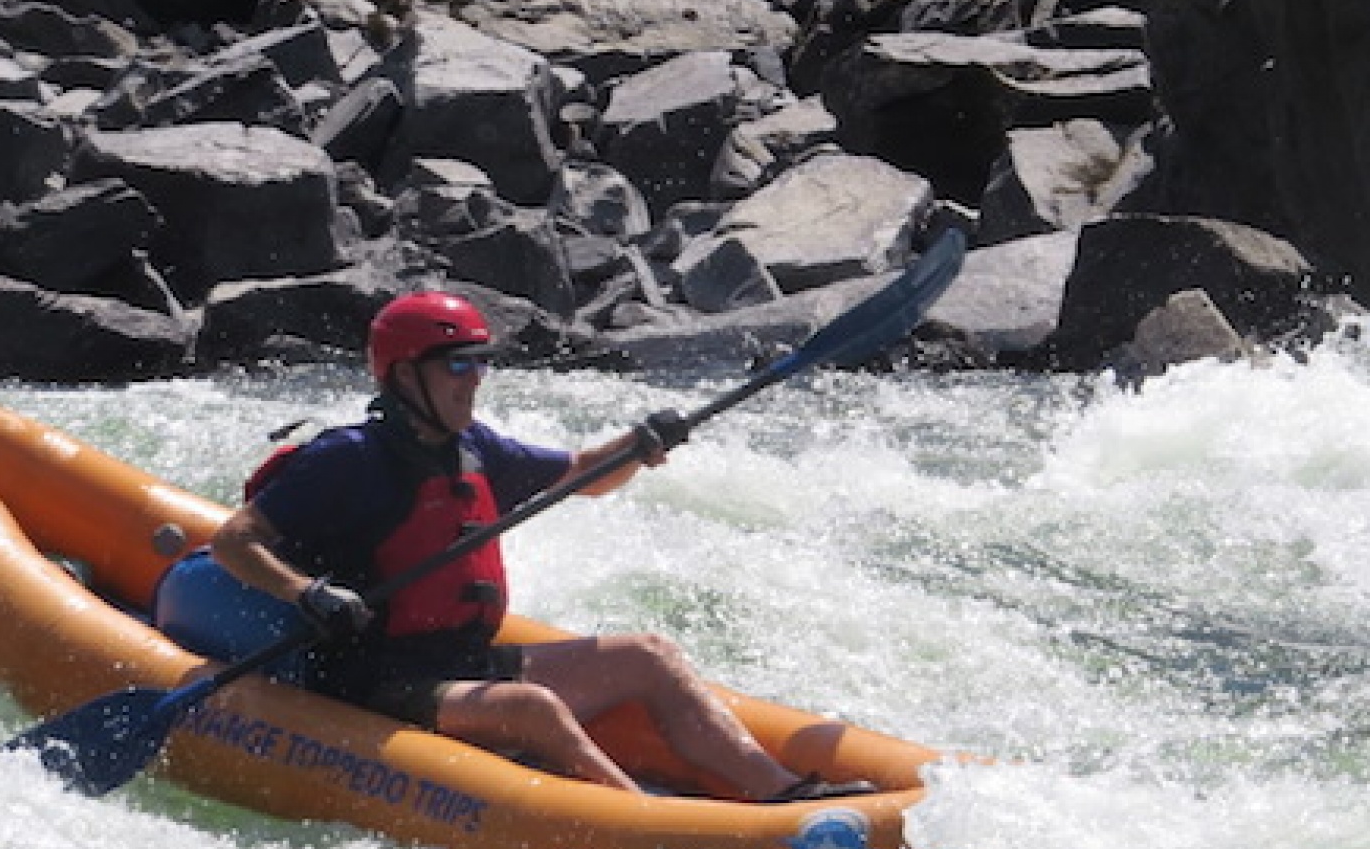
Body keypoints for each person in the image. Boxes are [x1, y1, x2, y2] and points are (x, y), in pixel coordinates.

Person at [203, 291, 873, 802]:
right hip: (377, 677)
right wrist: (308, 593)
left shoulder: (475, 448)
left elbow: (585, 474)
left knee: (649, 653)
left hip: (465, 659)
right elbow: (235, 539)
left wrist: (641, 443)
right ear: (405, 377)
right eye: (457, 364)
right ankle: (639, 820)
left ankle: (784, 790)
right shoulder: (345, 458)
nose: (474, 379)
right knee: (533, 707)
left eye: (480, 363)